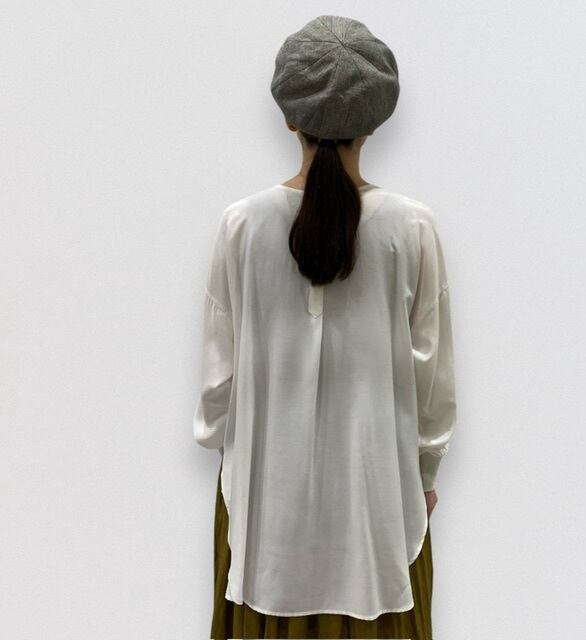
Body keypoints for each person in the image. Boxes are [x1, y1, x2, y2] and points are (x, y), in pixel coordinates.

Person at [193, 14, 457, 640]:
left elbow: (218, 382)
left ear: (291, 119)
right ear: (374, 122)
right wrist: (425, 474)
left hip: (265, 506)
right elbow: (433, 379)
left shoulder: (242, 225)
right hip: (378, 505)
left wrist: (224, 447)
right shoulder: (411, 228)